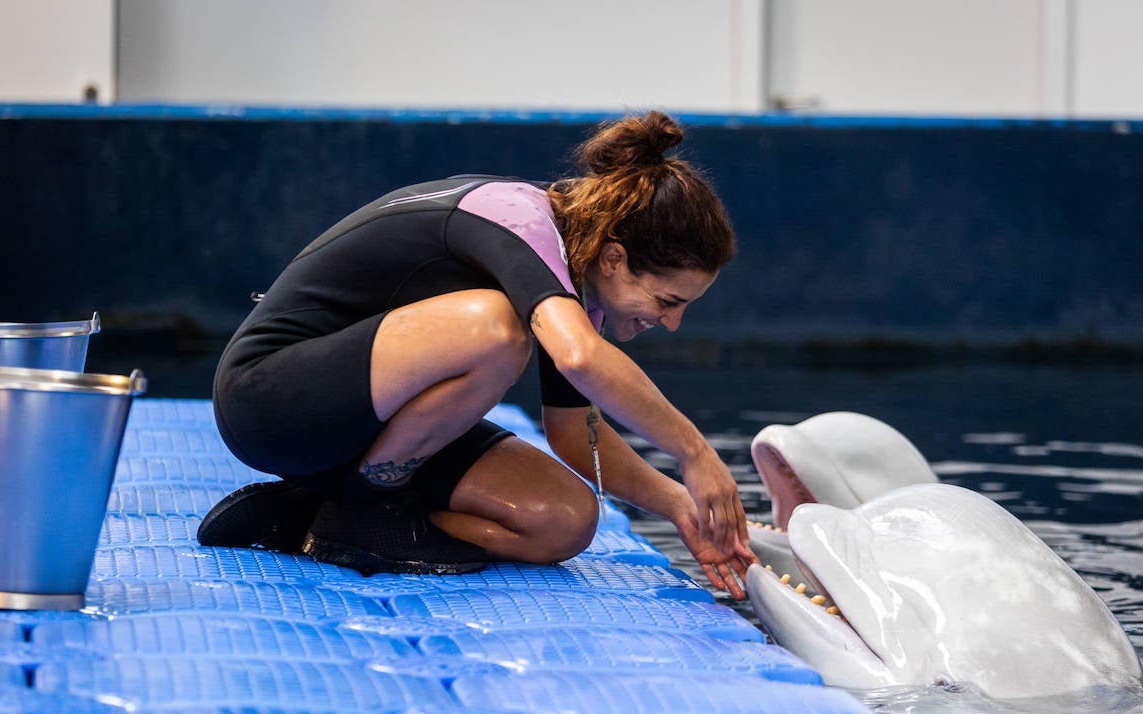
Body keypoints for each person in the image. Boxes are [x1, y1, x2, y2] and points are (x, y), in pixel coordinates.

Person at [201, 110, 758, 598]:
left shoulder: (580, 287)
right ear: (615, 258)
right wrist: (696, 454)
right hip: (271, 398)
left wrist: (682, 504)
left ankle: (311, 515)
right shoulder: (518, 219)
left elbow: (572, 433)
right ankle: (365, 508)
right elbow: (579, 358)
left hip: (364, 429)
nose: (673, 322)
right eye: (667, 300)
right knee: (496, 330)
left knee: (563, 519)